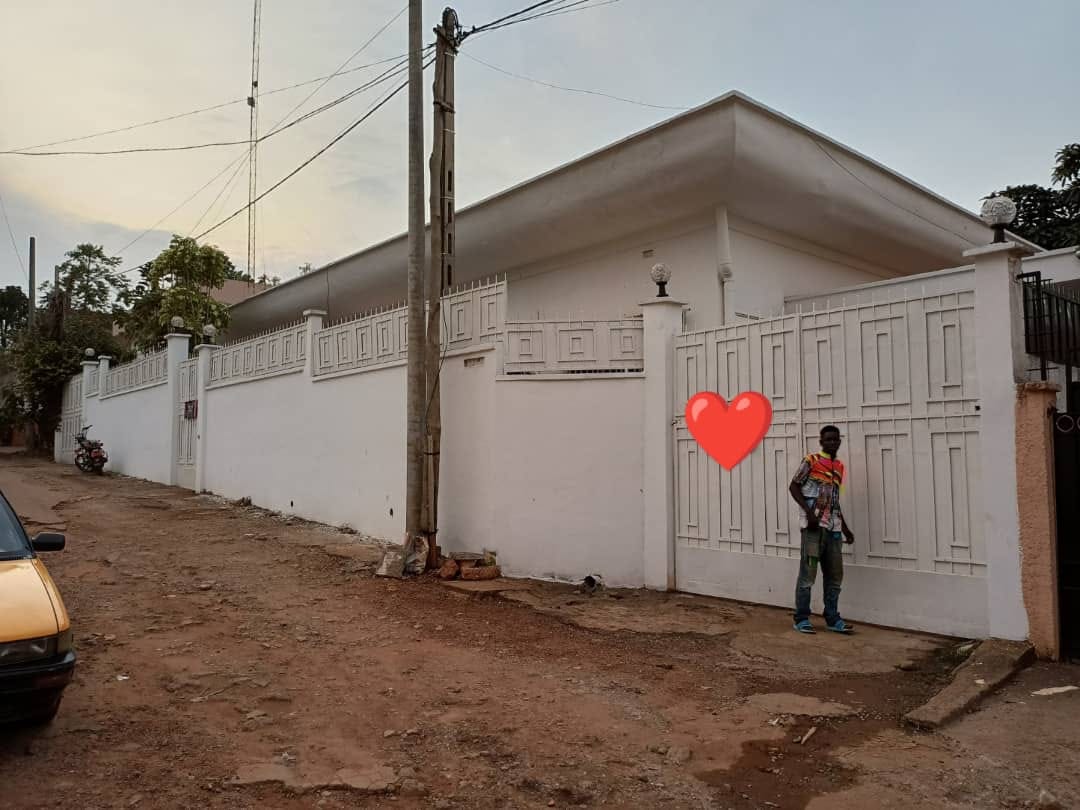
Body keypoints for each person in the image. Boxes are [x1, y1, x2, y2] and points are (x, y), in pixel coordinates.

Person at [788, 425, 855, 634]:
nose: (832, 442)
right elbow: (793, 486)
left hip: (833, 530)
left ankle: (833, 618)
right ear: (821, 441)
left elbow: (835, 500)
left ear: (839, 441)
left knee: (835, 576)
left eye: (835, 439)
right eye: (828, 439)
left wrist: (845, 528)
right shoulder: (811, 461)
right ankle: (801, 618)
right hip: (813, 529)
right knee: (808, 575)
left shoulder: (839, 466)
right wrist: (809, 513)